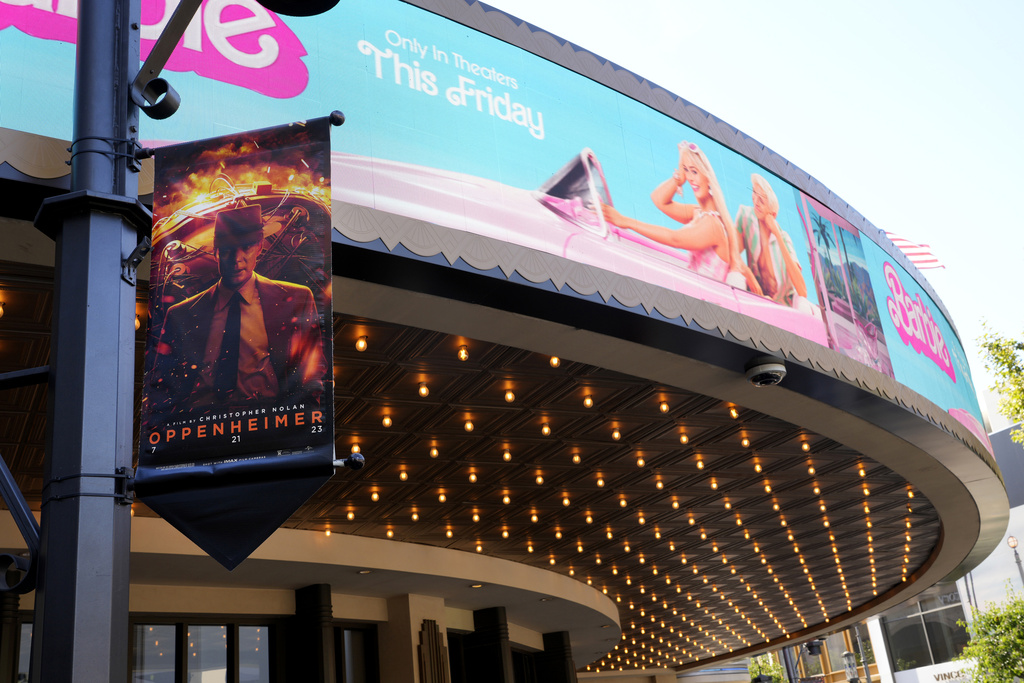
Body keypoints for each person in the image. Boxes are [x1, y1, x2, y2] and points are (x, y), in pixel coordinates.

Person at [147, 203, 327, 416]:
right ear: (216, 252)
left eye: (246, 247)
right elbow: (163, 384)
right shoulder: (180, 314)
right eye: (228, 250)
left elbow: (311, 373)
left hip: (270, 422)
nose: (236, 259)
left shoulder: (297, 299)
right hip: (199, 427)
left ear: (259, 247)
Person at [601, 141, 761, 294]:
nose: (690, 178)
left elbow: (674, 238)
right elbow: (659, 200)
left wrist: (625, 221)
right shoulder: (698, 213)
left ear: (708, 177)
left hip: (703, 306)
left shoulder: (712, 225)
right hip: (691, 294)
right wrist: (679, 179)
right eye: (686, 170)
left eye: (695, 171)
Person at [734, 174, 811, 309]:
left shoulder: (784, 238)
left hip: (781, 308)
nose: (755, 202)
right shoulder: (746, 216)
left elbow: (802, 290)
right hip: (753, 299)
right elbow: (732, 253)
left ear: (773, 215)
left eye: (761, 201)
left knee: (804, 306)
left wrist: (777, 235)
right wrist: (748, 275)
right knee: (735, 276)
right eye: (755, 195)